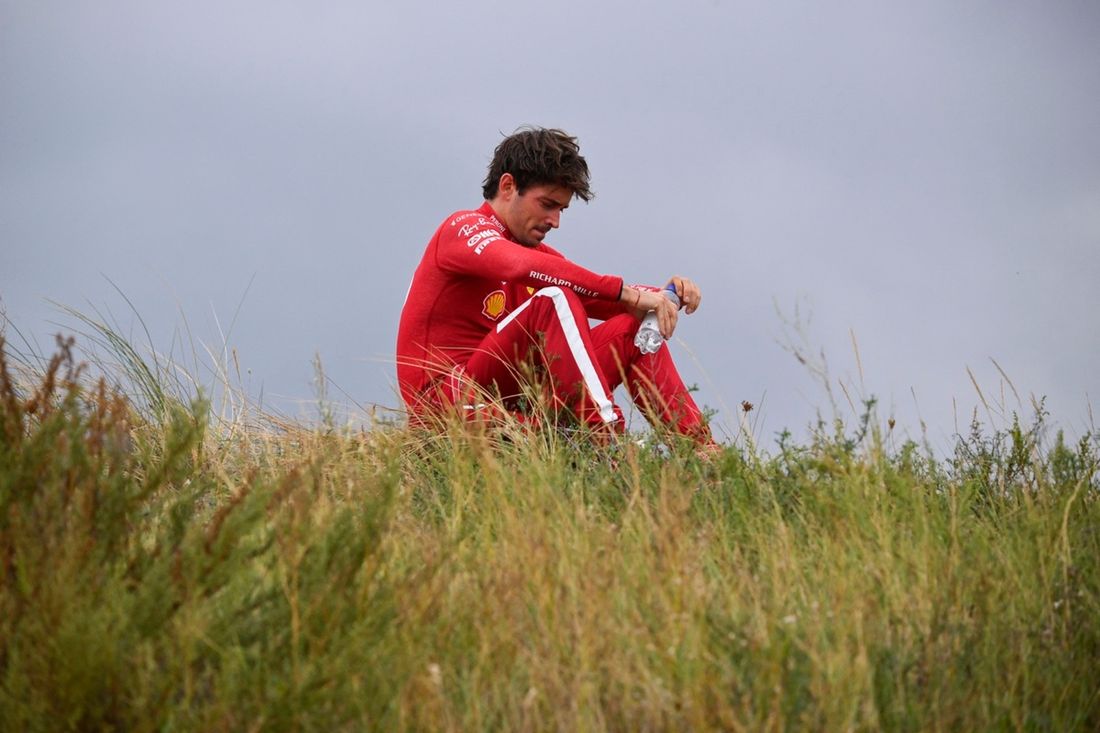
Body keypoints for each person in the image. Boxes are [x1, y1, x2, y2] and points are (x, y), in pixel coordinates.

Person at [396, 127, 714, 445]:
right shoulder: (462, 228)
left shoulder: (540, 260)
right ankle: (605, 441)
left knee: (633, 327)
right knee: (555, 298)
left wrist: (662, 296)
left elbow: (608, 299)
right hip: (445, 410)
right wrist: (631, 293)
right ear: (507, 186)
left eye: (561, 209)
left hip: (513, 406)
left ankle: (702, 454)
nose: (555, 221)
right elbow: (521, 267)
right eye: (547, 204)